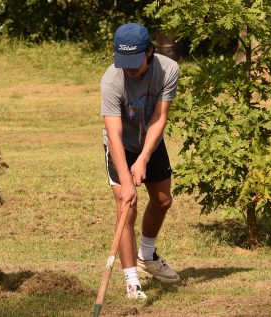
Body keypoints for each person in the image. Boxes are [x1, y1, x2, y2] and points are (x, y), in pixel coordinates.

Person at [100, 22, 180, 300]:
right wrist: (126, 177)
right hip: (120, 144)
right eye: (125, 62)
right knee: (126, 207)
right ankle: (132, 281)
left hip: (150, 140)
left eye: (135, 61)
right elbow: (113, 132)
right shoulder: (111, 80)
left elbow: (159, 117)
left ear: (149, 51)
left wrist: (144, 158)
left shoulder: (168, 70)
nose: (130, 69)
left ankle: (147, 255)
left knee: (163, 200)